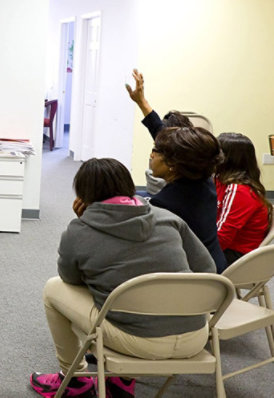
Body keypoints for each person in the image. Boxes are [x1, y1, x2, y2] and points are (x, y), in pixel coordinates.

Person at [30, 158, 217, 398]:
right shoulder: (168, 218)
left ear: (83, 195)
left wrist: (83, 222)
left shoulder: (79, 231)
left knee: (53, 288)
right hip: (196, 335)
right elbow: (208, 270)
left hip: (137, 342)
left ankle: (73, 379)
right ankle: (122, 382)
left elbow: (71, 279)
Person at [149, 126, 226, 272]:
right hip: (216, 267)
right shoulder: (205, 181)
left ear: (173, 163)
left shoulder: (163, 203)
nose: (152, 155)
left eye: (156, 151)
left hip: (193, 280)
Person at [125, 68, 194, 195]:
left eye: (157, 150)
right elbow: (157, 128)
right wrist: (141, 102)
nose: (152, 156)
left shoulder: (177, 197)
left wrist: (142, 102)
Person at [215, 132, 271, 265]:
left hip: (238, 256)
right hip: (227, 248)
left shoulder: (239, 190)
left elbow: (222, 238)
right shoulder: (220, 180)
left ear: (225, 159)